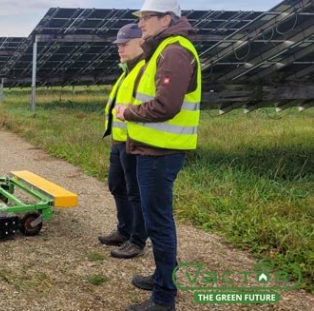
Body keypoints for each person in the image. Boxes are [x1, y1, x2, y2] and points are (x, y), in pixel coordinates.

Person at [116, 0, 201, 309]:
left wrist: (128, 112)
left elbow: (166, 105)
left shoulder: (174, 51)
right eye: (141, 18)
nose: (141, 23)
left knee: (159, 222)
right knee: (156, 221)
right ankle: (163, 276)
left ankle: (164, 297)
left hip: (160, 153)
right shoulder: (164, 48)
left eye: (147, 17)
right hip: (150, 149)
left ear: (167, 18)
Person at [99, 23, 148, 259]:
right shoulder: (126, 71)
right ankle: (124, 230)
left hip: (134, 142)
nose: (120, 49)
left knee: (135, 193)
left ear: (141, 42)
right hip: (118, 142)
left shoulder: (146, 69)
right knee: (116, 186)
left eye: (125, 44)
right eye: (118, 45)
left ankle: (137, 240)